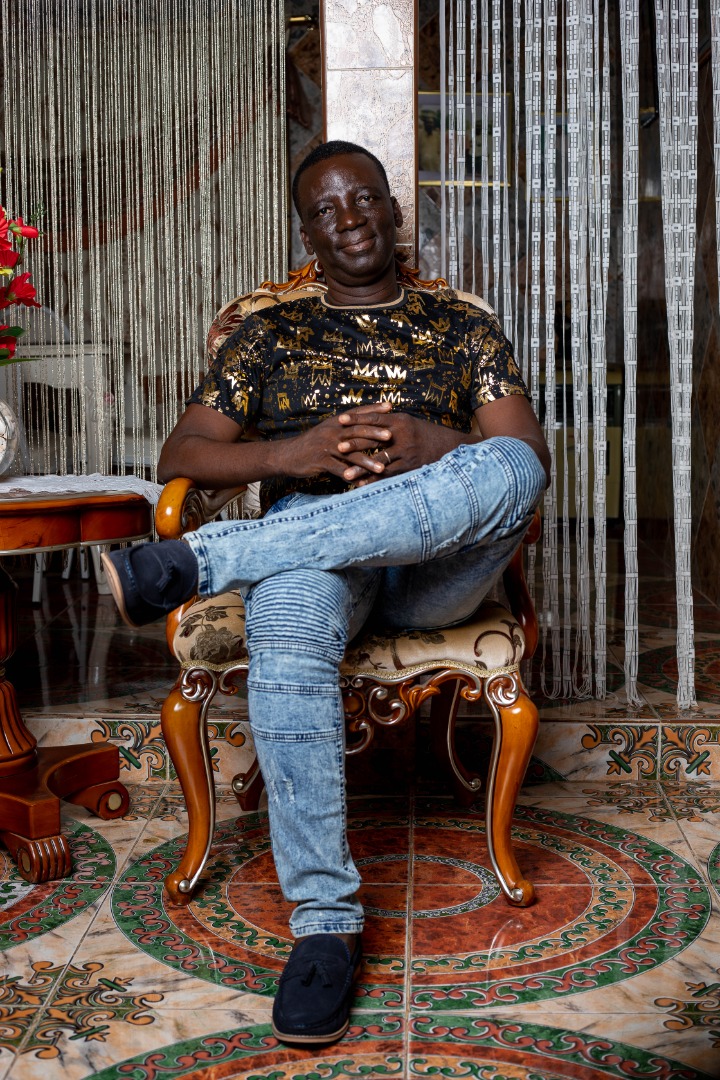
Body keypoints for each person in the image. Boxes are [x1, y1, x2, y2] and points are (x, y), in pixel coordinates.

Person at [102, 140, 550, 1047]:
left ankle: (206, 559)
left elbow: (525, 456)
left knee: (510, 465)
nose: (349, 220)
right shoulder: (269, 336)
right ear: (306, 233)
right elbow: (181, 454)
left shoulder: (459, 327)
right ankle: (325, 928)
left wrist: (434, 445)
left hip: (434, 566)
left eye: (365, 199)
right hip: (316, 559)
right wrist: (295, 452)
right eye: (326, 210)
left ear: (393, 209)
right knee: (289, 609)